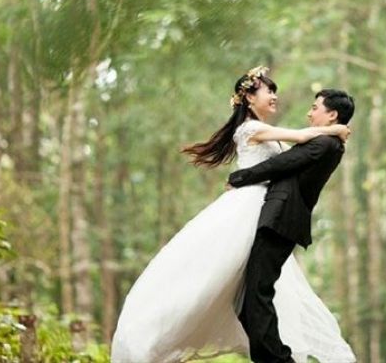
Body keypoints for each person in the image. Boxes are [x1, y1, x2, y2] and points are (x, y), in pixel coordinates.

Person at [110, 66, 356, 363]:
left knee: (252, 292)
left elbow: (294, 156)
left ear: (331, 113)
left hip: (264, 212)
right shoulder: (251, 129)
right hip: (249, 209)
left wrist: (332, 132)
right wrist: (335, 129)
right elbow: (301, 139)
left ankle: (273, 354)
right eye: (269, 91)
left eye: (274, 91)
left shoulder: (282, 138)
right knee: (227, 286)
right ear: (250, 99)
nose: (275, 96)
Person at [227, 88, 356, 363]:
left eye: (315, 108)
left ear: (332, 114)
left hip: (281, 219)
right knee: (253, 297)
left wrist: (238, 177)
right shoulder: (328, 141)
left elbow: (281, 163)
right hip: (277, 218)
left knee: (257, 296)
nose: (309, 113)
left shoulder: (325, 144)